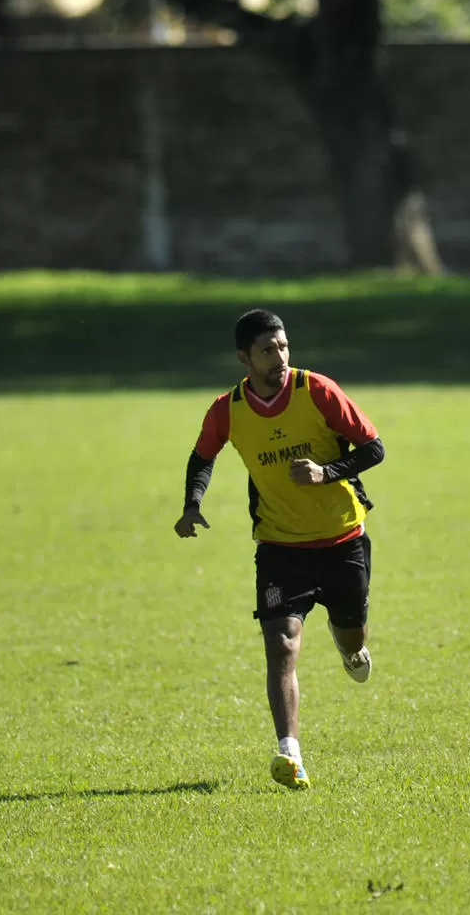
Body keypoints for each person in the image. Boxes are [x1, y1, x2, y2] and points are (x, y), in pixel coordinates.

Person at [174, 308, 385, 791]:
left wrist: (327, 472)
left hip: (342, 539)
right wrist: (192, 504)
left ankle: (347, 641)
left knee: (353, 639)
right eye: (268, 350)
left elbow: (374, 448)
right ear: (244, 357)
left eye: (284, 346)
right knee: (281, 645)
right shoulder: (229, 408)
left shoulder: (318, 391)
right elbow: (202, 456)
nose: (280, 357)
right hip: (279, 547)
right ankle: (289, 752)